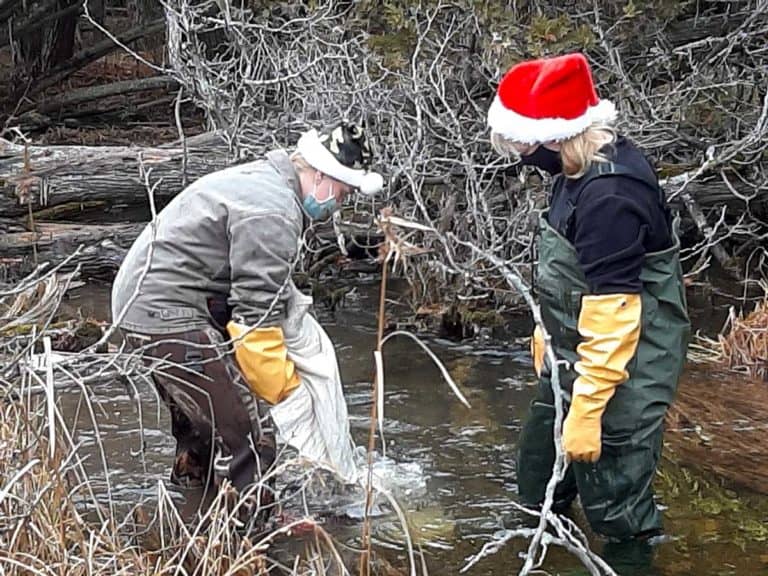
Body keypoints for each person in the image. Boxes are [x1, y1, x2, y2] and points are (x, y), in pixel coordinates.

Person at [111, 122, 384, 499]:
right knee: (251, 440)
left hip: (139, 306)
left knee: (203, 433)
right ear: (321, 175)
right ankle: (256, 542)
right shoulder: (274, 214)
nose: (342, 202)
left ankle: (191, 523)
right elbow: (255, 331)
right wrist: (292, 397)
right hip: (167, 313)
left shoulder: (264, 181)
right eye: (343, 192)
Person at [487, 53, 690, 540]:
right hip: (575, 351)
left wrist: (587, 410)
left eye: (519, 141)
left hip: (628, 361)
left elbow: (616, 315)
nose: (516, 152)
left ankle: (632, 562)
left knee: (617, 510)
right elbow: (575, 276)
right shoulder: (573, 167)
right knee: (538, 482)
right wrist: (547, 330)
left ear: (555, 134)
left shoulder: (609, 198)